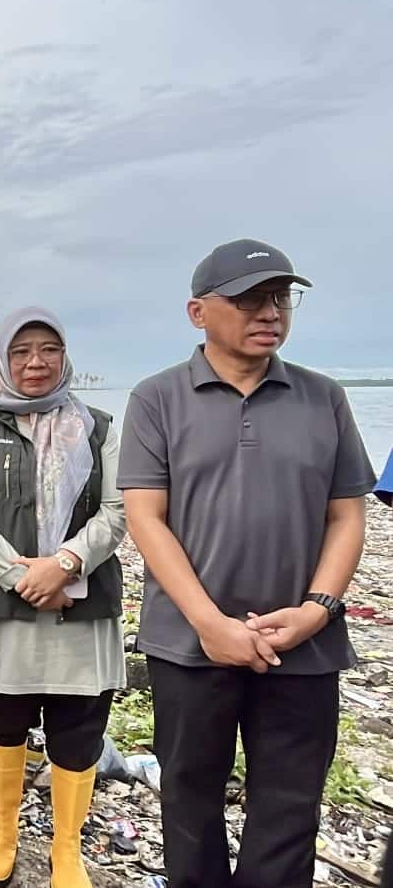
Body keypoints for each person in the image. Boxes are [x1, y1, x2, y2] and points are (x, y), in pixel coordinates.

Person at [119, 240, 376, 888]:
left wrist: (317, 610)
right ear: (197, 312)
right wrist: (209, 623)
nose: (269, 312)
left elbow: (346, 516)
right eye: (248, 299)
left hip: (303, 648)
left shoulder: (323, 398)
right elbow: (146, 519)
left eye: (279, 298)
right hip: (188, 644)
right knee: (189, 805)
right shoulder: (156, 399)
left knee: (289, 812)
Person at [0, 307, 127, 888]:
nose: (35, 363)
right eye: (21, 352)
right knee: (6, 719)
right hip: (7, 606)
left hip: (82, 605)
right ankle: (2, 834)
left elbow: (118, 509)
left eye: (49, 349)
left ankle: (66, 849)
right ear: (3, 359)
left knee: (79, 726)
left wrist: (65, 566)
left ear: (65, 356)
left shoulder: (99, 427)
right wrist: (22, 577)